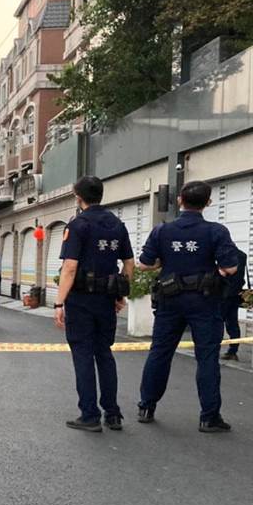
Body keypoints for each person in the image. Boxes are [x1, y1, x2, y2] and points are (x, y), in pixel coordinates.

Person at [136, 180, 239, 433]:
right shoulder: (216, 231)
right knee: (207, 357)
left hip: (169, 300)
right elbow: (230, 268)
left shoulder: (162, 231)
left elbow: (144, 264)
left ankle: (146, 407)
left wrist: (165, 263)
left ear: (180, 200)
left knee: (160, 352)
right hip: (205, 302)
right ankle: (209, 417)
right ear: (208, 202)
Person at [54, 176, 134, 432]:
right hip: (106, 300)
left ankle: (89, 415)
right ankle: (112, 413)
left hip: (81, 300)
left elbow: (70, 267)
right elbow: (129, 264)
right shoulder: (117, 225)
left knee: (83, 355)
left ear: (78, 197)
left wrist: (59, 303)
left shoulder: (78, 225)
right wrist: (120, 294)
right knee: (104, 354)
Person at [220, 248, 248, 361]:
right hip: (235, 294)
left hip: (223, 295)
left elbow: (223, 274)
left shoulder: (225, 255)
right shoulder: (242, 255)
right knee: (233, 323)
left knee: (217, 322)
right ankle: (233, 351)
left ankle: (213, 349)